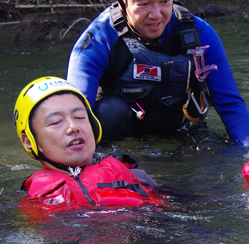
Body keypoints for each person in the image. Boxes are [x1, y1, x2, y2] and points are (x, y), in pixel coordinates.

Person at [66, 0, 249, 148]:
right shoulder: (96, 41)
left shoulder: (199, 34)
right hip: (121, 138)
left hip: (182, 135)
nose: (156, 14)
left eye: (165, 1)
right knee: (109, 112)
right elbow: (75, 114)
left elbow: (230, 104)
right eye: (143, 3)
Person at [14, 77, 161, 209]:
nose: (73, 127)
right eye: (56, 122)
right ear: (28, 141)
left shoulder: (137, 177)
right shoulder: (32, 201)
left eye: (79, 117)